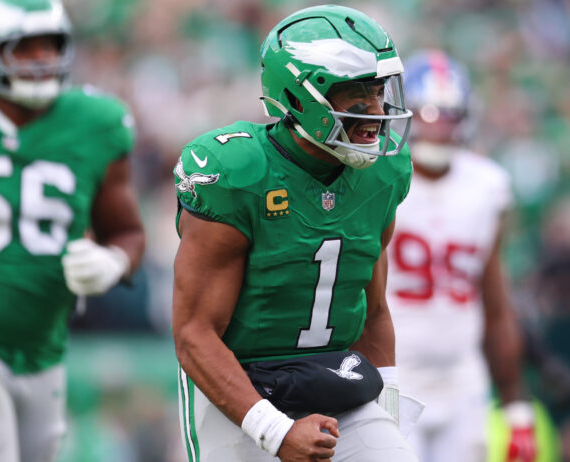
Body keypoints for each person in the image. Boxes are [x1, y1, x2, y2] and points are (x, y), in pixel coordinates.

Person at [171, 5, 419, 461]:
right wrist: (275, 431)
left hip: (333, 377)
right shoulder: (238, 173)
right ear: (300, 98)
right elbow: (194, 333)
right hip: (238, 386)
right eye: (357, 100)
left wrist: (389, 408)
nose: (378, 114)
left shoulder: (383, 173)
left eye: (380, 94)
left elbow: (374, 308)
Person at [0, 0, 145, 461]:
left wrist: (112, 262)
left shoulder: (95, 123)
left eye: (50, 45)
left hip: (46, 346)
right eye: (24, 48)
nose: (42, 59)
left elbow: (127, 231)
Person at [386, 50, 539, 462]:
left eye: (449, 115)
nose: (438, 129)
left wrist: (516, 405)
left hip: (462, 378)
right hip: (395, 377)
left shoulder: (487, 185)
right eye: (428, 115)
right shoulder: (381, 178)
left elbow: (496, 301)